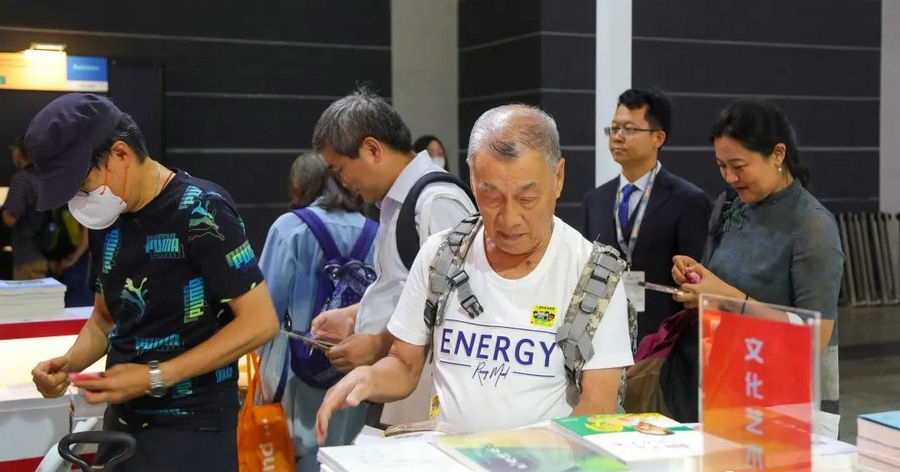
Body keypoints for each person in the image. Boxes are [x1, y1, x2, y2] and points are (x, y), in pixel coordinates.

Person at [315, 104, 634, 442]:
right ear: (472, 181)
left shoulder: (594, 276)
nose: (509, 218)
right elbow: (404, 365)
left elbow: (597, 404)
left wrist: (529, 459)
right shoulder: (442, 255)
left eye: (527, 198)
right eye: (491, 197)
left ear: (558, 178)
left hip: (547, 460)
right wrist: (369, 378)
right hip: (449, 456)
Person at [27, 93, 279, 471]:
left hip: (193, 427)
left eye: (82, 184)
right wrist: (68, 363)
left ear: (120, 154)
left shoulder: (202, 210)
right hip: (121, 424)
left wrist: (154, 377)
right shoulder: (107, 218)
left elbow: (260, 323)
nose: (79, 201)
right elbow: (105, 319)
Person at [671, 99, 844, 438]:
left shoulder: (812, 226)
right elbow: (718, 283)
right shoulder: (729, 205)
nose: (730, 177)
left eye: (738, 165)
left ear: (777, 154)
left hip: (787, 404)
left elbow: (814, 341)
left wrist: (728, 297)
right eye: (721, 166)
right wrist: (697, 279)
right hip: (726, 386)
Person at [309, 88, 476, 425]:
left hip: (423, 401)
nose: (343, 182)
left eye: (340, 170)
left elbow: (455, 313)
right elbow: (407, 289)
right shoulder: (395, 202)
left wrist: (377, 344)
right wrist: (357, 315)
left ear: (372, 149)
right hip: (395, 391)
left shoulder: (436, 201)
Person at [257, 152, 375, 471]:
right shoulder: (376, 232)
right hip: (354, 373)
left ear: (299, 184)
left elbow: (264, 313)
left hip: (295, 374)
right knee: (344, 458)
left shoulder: (289, 229)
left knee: (297, 459)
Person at [582, 88, 711, 344]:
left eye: (629, 129)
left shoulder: (688, 200)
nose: (618, 137)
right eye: (614, 128)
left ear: (658, 138)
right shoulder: (595, 200)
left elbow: (695, 282)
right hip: (603, 337)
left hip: (663, 340)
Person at [2, 137, 51, 279]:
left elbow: (10, 219)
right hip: (49, 256)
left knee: (27, 294)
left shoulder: (22, 179)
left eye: (14, 148)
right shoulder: (47, 177)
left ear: (19, 152)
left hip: (28, 259)